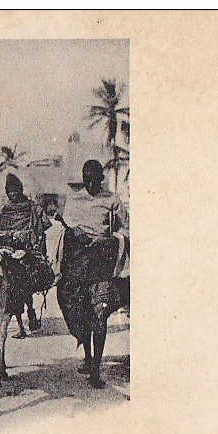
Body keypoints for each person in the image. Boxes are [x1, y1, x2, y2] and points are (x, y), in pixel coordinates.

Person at [57, 159, 129, 388]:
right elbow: (65, 227)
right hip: (77, 263)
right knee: (78, 311)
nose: (91, 185)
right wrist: (74, 231)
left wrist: (110, 238)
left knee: (99, 315)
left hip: (101, 262)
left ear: (101, 179)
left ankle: (96, 369)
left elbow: (126, 227)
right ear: (83, 179)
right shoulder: (74, 199)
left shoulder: (111, 200)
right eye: (87, 181)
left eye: (95, 181)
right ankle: (88, 357)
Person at [0, 173, 47, 338]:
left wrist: (30, 239)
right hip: (9, 250)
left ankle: (30, 313)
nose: (13, 194)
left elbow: (42, 228)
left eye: (15, 190)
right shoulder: (6, 210)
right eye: (10, 191)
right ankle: (23, 321)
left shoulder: (32, 208)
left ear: (20, 190)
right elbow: (0, 229)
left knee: (24, 285)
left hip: (27, 251)